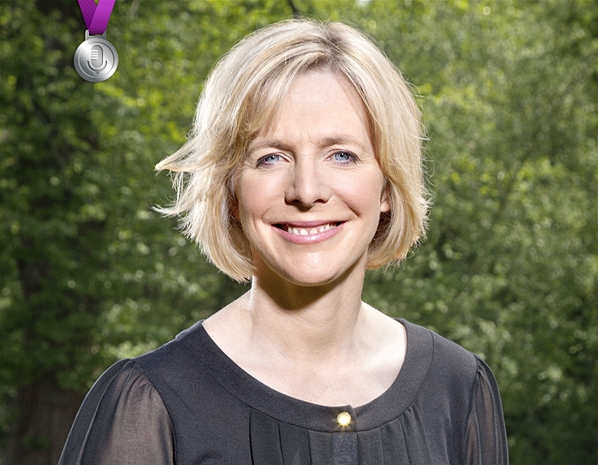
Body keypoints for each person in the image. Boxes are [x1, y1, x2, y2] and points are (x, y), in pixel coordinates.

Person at [58, 19, 508, 465]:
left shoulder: (459, 388)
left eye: (342, 155)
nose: (306, 191)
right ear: (231, 191)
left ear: (388, 186)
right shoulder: (150, 403)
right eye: (271, 158)